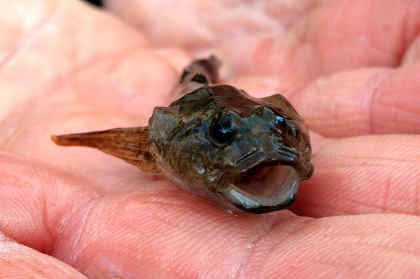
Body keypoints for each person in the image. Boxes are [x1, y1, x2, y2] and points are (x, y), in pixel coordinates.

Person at [1, 0, 419, 277]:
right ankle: (205, 70)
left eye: (283, 129)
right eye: (222, 137)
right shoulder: (159, 138)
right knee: (212, 100)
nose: (274, 146)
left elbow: (255, 119)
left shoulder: (269, 126)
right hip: (194, 98)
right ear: (157, 144)